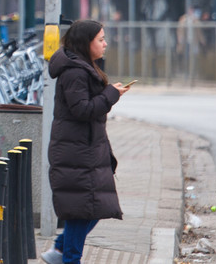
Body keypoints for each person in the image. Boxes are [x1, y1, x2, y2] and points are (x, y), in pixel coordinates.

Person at [40, 19, 131, 264]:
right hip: (76, 153)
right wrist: (110, 94)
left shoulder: (83, 67)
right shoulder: (75, 72)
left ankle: (60, 250)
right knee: (85, 210)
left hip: (84, 150)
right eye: (100, 39)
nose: (105, 43)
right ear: (85, 42)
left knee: (93, 208)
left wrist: (110, 92)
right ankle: (67, 257)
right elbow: (82, 110)